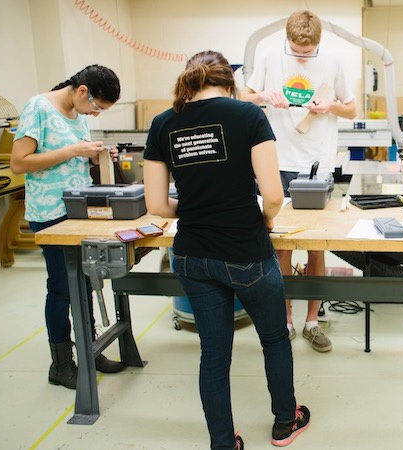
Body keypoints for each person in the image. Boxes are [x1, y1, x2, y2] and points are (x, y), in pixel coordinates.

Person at [143, 50, 310, 450]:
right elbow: (272, 194)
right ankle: (285, 423)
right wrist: (266, 221)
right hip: (245, 252)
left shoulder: (163, 123)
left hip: (192, 255)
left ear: (190, 81)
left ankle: (223, 442)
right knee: (273, 339)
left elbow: (157, 206)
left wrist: (198, 207)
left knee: (213, 356)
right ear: (229, 82)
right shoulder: (248, 116)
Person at [242, 10, 357, 352]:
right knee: (278, 245)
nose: (301, 56)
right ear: (287, 40)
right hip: (277, 160)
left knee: (316, 244)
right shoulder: (269, 56)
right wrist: (265, 97)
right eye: (295, 50)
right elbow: (244, 98)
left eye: (307, 53)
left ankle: (312, 321)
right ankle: (285, 320)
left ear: (318, 42)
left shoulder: (334, 61)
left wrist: (331, 105)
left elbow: (351, 108)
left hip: (317, 163)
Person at [10, 65, 126, 390]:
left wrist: (94, 156)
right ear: (82, 91)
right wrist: (75, 149)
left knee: (85, 282)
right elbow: (19, 162)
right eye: (97, 107)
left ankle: (90, 352)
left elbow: (70, 159)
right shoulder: (39, 107)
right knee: (62, 288)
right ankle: (61, 364)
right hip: (50, 213)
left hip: (79, 210)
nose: (97, 114)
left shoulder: (79, 114)